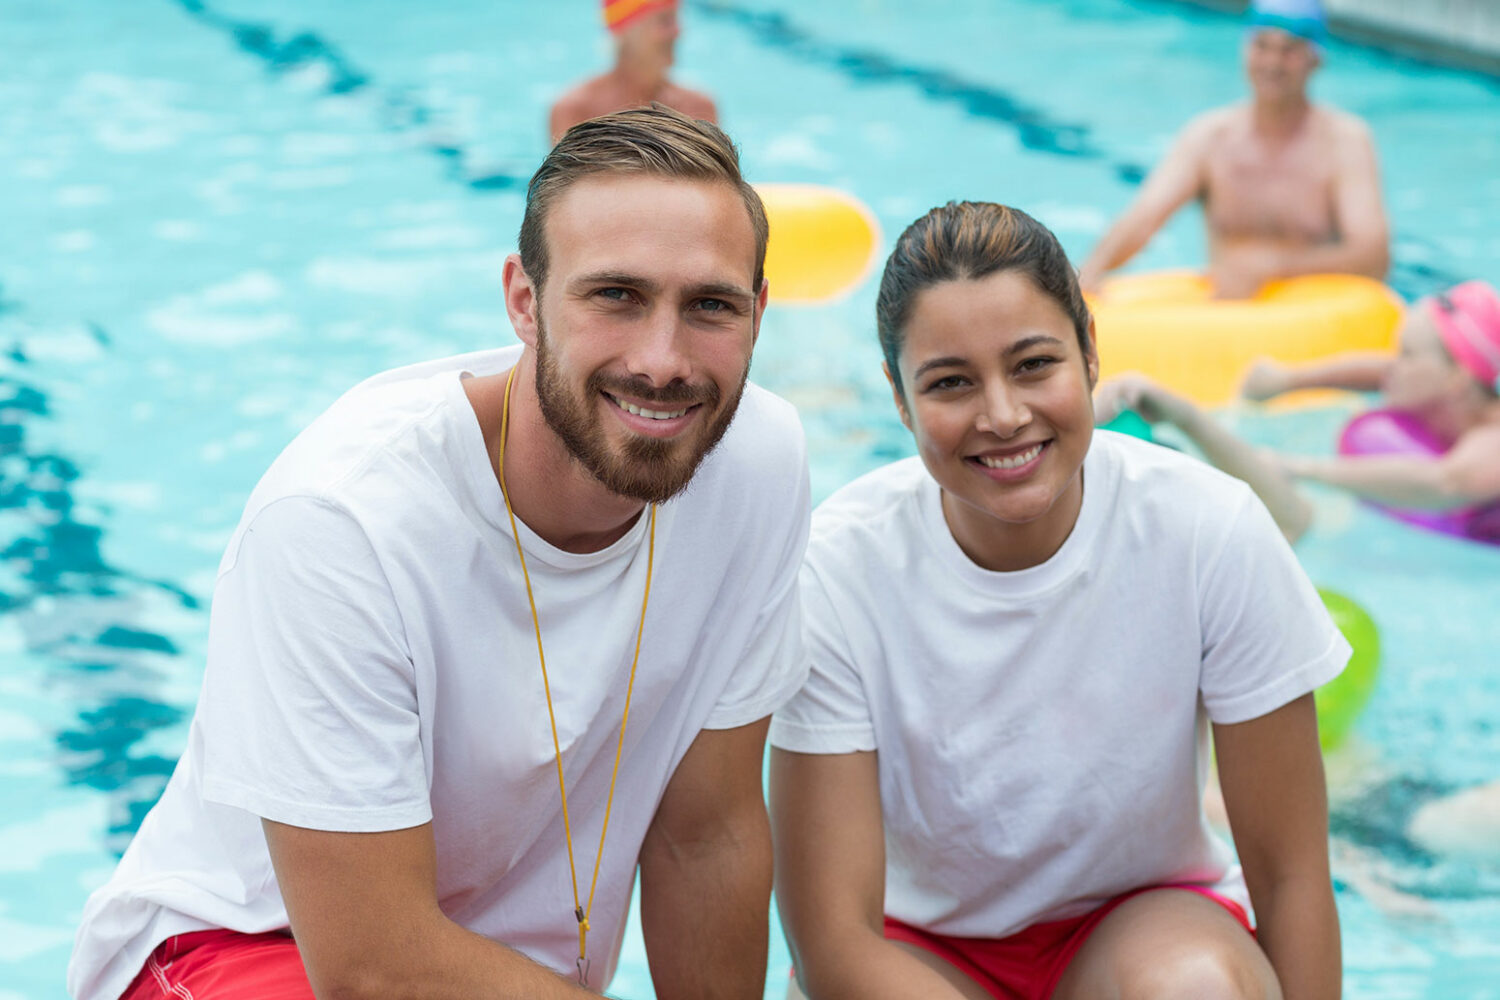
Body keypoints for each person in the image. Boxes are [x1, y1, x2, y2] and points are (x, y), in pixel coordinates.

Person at [68, 105, 811, 1000]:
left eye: (710, 306)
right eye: (616, 295)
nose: (662, 360)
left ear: (759, 314)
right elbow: (373, 968)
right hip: (250, 949)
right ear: (524, 301)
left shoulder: (756, 464)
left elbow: (708, 833)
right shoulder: (344, 522)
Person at [771, 201, 1348, 1000]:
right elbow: (831, 938)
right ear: (899, 400)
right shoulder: (836, 572)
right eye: (949, 383)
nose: (1002, 416)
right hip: (917, 948)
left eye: (1034, 364)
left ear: (1089, 353)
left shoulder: (1207, 530)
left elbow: (1289, 877)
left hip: (1141, 921)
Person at [1094, 280, 1500, 544]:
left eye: (1408, 355)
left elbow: (1446, 482)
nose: (1393, 365)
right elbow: (1381, 371)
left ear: (1457, 380)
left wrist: (1303, 468)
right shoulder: (1439, 383)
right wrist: (1289, 380)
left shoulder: (1490, 443)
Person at [1077, 0, 1389, 299]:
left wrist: (1274, 267)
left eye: (1289, 50)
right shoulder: (1210, 137)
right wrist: (1092, 271)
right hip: (1230, 324)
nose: (1272, 62)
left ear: (1315, 59)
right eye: (1262, 46)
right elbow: (1144, 217)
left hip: (1316, 324)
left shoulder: (1345, 141)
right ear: (1244, 49)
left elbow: (1373, 257)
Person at [550, 0, 717, 144]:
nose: (677, 31)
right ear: (626, 32)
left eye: (675, 20)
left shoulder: (697, 107)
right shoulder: (576, 109)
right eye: (665, 20)